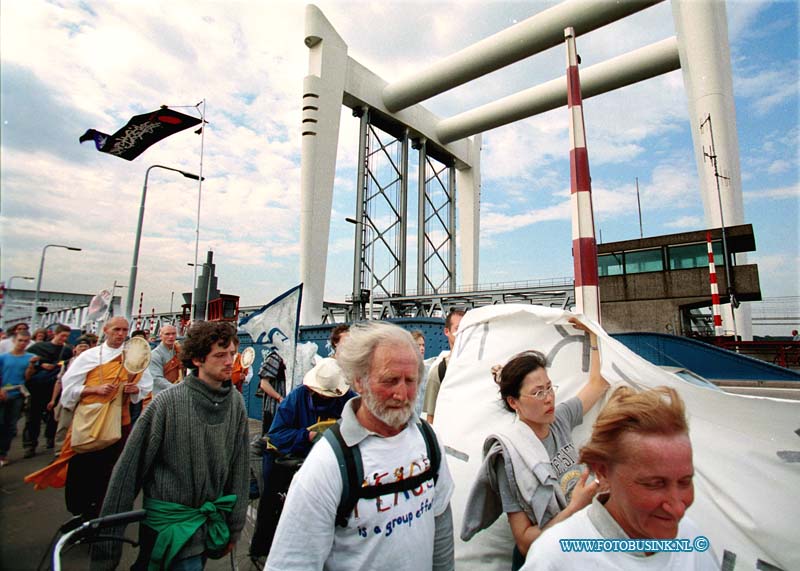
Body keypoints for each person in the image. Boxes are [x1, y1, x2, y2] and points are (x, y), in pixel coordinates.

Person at [266, 321, 455, 571]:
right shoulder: (328, 464)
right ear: (359, 382)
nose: (402, 393)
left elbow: (440, 525)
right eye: (390, 380)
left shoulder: (427, 440)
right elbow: (291, 563)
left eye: (410, 381)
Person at [92, 321, 250, 571]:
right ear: (197, 359)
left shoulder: (236, 404)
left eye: (232, 353)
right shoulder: (166, 404)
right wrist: (106, 553)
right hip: (166, 530)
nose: (230, 361)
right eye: (220, 355)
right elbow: (126, 475)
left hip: (207, 527)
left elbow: (239, 470)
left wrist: (234, 527)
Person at [461, 319, 609, 569]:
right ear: (514, 402)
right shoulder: (509, 456)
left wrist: (593, 336)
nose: (549, 398)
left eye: (549, 388)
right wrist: (575, 507)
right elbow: (525, 542)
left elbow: (598, 384)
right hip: (545, 559)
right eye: (538, 392)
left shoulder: (560, 419)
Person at [522, 386, 719, 570]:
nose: (677, 508)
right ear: (603, 472)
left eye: (685, 482)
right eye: (655, 484)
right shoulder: (555, 557)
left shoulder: (693, 541)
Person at [24, 317, 152, 518]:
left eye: (124, 330)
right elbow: (69, 388)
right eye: (116, 329)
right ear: (106, 330)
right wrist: (94, 389)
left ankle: (102, 511)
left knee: (112, 469)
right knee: (83, 466)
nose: (120, 334)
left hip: (120, 421)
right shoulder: (90, 356)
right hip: (90, 420)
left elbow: (145, 386)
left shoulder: (133, 358)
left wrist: (135, 389)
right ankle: (79, 511)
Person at [250, 357, 357, 559]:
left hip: (332, 464)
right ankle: (264, 551)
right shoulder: (296, 397)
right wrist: (306, 435)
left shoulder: (348, 398)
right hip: (293, 460)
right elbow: (276, 434)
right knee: (272, 504)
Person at [23, 323, 73, 457]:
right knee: (33, 416)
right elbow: (27, 360)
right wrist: (40, 364)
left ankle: (50, 439)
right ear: (55, 334)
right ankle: (30, 445)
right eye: (62, 335)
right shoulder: (38, 347)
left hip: (55, 387)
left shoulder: (67, 350)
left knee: (53, 417)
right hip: (38, 387)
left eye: (67, 336)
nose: (64, 339)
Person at [49, 336, 91, 455]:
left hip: (84, 397)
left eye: (85, 347)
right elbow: (59, 382)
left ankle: (76, 450)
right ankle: (59, 451)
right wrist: (53, 399)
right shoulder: (67, 363)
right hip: (68, 397)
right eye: (80, 347)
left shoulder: (94, 363)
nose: (83, 349)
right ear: (75, 349)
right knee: (63, 425)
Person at [423, 308, 465, 424]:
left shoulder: (480, 367)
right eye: (458, 329)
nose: (462, 333)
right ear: (447, 332)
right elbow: (431, 417)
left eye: (466, 329)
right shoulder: (439, 370)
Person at [0, 329, 35, 466]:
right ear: (14, 341)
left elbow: (27, 377)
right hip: (3, 392)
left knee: (10, 425)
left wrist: (32, 365)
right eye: (20, 340)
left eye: (26, 341)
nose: (22, 343)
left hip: (17, 394)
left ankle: (2, 454)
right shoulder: (3, 357)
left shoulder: (30, 357)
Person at [147, 324, 181, 399]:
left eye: (173, 334)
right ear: (161, 336)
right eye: (167, 334)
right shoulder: (155, 354)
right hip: (161, 394)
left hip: (177, 391)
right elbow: (156, 378)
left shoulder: (177, 350)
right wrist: (176, 388)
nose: (171, 337)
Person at [258, 348, 287, 435]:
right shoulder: (275, 357)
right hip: (274, 407)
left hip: (285, 408)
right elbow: (263, 383)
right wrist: (279, 397)